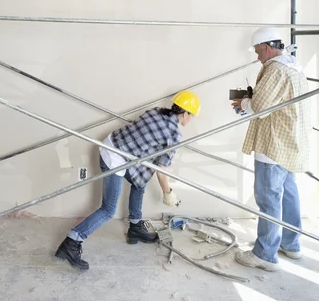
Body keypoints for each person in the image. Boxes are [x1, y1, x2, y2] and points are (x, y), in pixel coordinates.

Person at [55, 90, 201, 270]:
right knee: (108, 209)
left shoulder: (155, 111)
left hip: (110, 144)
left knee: (140, 182)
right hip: (115, 160)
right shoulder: (174, 135)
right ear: (185, 113)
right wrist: (168, 193)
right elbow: (161, 171)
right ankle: (72, 241)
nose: (191, 119)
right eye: (192, 116)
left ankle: (135, 227)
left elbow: (142, 142)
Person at [232, 27, 311, 272]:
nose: (257, 56)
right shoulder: (294, 66)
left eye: (257, 51)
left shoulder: (275, 69)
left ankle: (265, 254)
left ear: (266, 47)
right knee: (288, 194)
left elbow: (261, 106)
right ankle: (291, 243)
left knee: (268, 198)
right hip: (291, 142)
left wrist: (242, 103)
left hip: (273, 144)